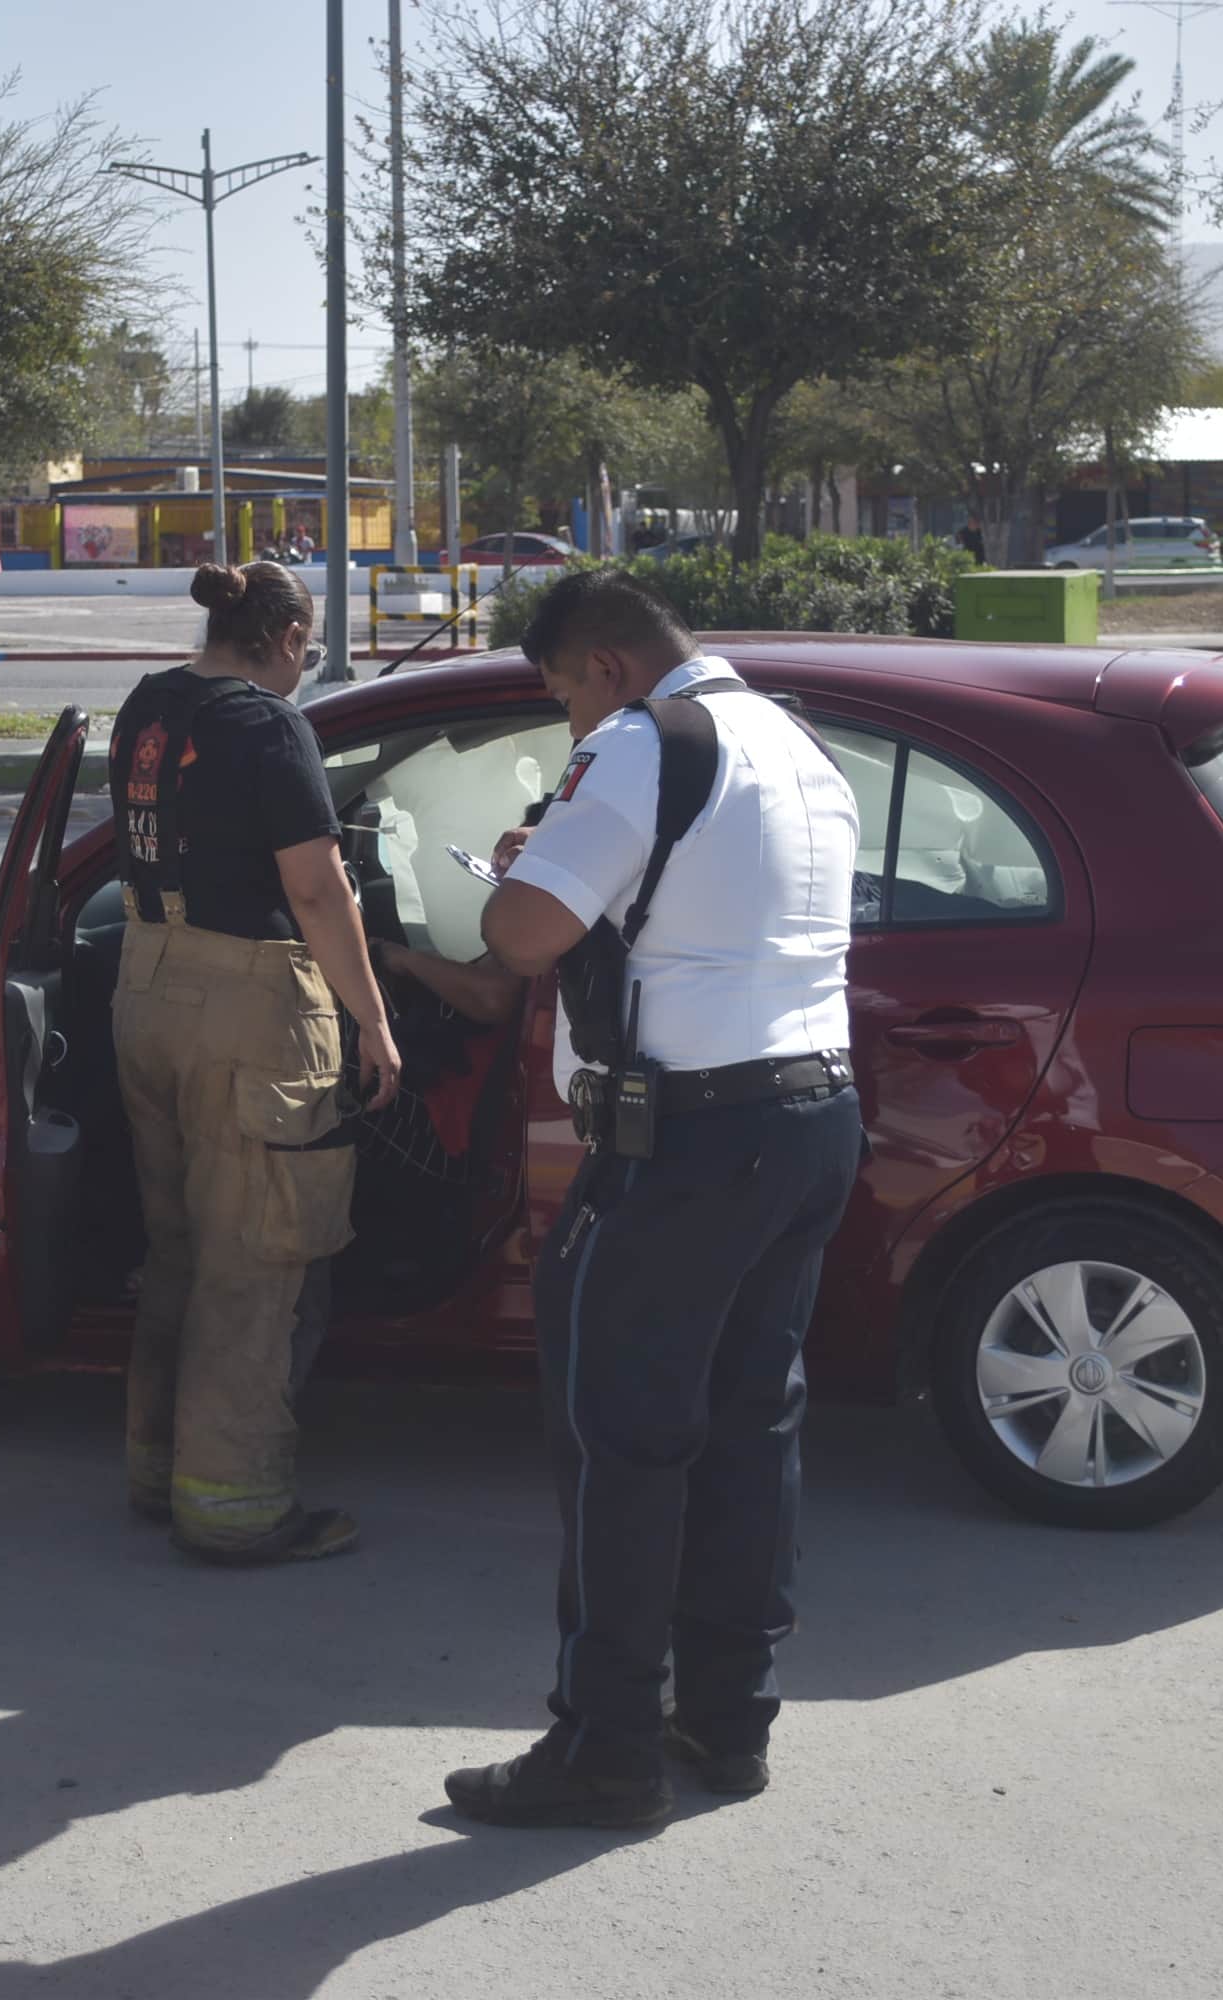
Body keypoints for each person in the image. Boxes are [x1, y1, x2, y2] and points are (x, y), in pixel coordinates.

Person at [444, 570, 865, 1828]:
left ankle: (605, 1747)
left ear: (608, 668)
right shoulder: (794, 741)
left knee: (623, 1444)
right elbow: (698, 909)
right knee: (750, 1427)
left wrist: (525, 869)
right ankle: (727, 1721)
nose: (565, 721)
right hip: (811, 1119)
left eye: (561, 692)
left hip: (688, 1143)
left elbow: (519, 936)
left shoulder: (636, 747)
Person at [110, 560, 402, 1566]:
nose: (306, 666)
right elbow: (318, 892)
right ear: (282, 638)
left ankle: (158, 1471)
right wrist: (372, 1019)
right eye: (310, 649)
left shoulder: (148, 704)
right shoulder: (270, 726)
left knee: (179, 1252)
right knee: (257, 1263)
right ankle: (233, 1505)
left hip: (145, 985)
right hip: (245, 1009)